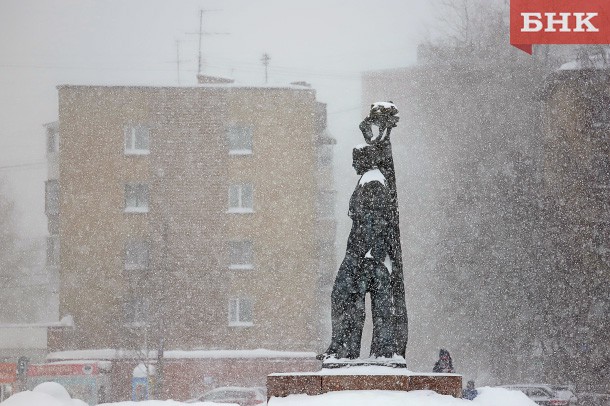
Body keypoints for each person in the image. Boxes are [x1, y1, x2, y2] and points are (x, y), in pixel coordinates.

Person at [317, 144, 397, 360]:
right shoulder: (370, 179)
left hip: (368, 256)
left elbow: (375, 222)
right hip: (366, 254)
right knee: (352, 301)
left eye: (356, 159)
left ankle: (346, 349)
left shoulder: (373, 182)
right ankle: (348, 349)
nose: (353, 163)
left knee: (343, 296)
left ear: (366, 160)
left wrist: (361, 256)